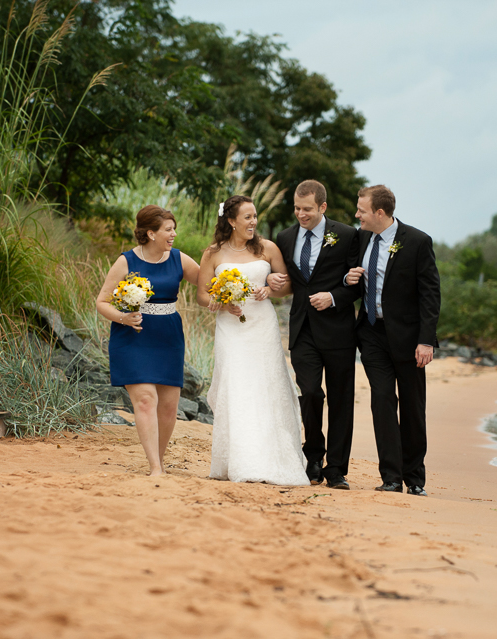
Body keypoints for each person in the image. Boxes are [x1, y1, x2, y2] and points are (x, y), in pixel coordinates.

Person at [197, 195, 309, 486]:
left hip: (261, 327)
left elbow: (286, 287)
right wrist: (222, 303)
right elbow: (202, 295)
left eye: (255, 216)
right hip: (230, 330)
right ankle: (238, 460)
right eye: (247, 217)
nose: (254, 222)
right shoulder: (213, 253)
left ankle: (271, 459)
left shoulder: (267, 248)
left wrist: (271, 290)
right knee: (236, 388)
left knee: (265, 386)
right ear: (231, 221)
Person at [345, 185, 440, 495]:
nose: (356, 215)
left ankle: (414, 479)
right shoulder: (360, 238)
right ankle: (390, 477)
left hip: (409, 339)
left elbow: (430, 294)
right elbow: (351, 278)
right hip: (371, 333)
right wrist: (348, 279)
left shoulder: (417, 241)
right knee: (382, 399)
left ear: (380, 213)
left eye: (361, 210)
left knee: (413, 407)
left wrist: (427, 340)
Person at [96, 205, 200, 477]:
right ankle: (155, 467)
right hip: (133, 335)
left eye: (173, 228)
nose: (174, 234)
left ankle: (159, 460)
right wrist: (123, 318)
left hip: (168, 337)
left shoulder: (179, 259)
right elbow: (102, 302)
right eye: (168, 229)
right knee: (145, 399)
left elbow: (208, 282)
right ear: (151, 233)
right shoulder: (126, 261)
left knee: (168, 407)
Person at [271, 180, 360, 489]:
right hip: (303, 330)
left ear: (322, 207)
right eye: (297, 208)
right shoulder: (285, 237)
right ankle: (313, 455)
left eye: (307, 209)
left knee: (340, 400)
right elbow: (281, 279)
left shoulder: (348, 235)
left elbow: (358, 283)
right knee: (310, 392)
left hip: (339, 331)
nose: (301, 214)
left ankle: (336, 470)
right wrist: (271, 277)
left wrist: (333, 297)